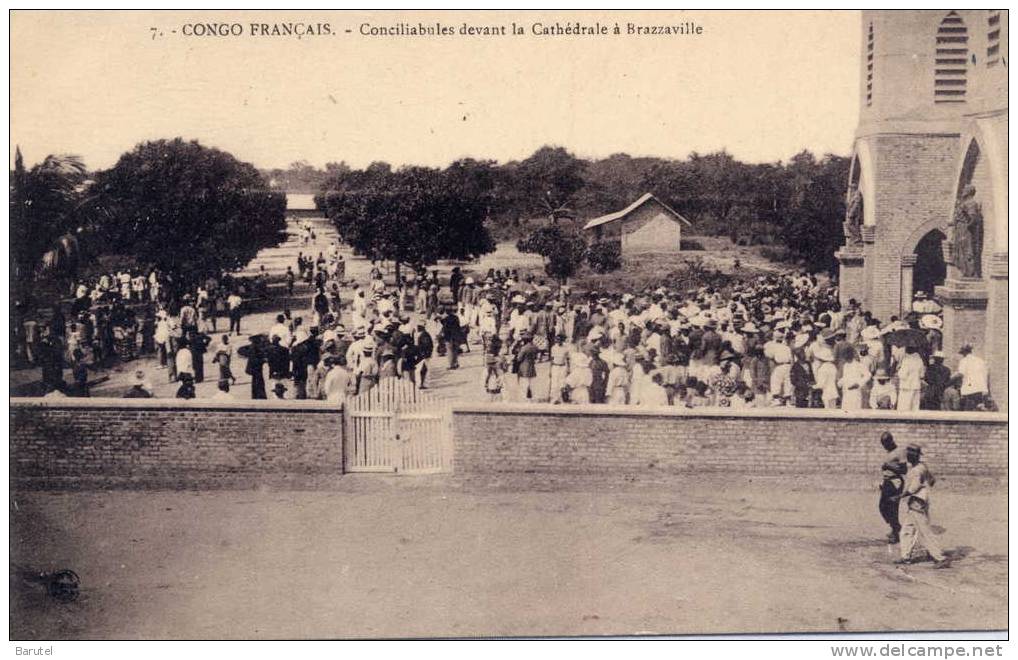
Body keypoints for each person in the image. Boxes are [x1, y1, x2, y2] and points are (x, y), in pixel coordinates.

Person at [895, 444, 951, 569]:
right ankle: (906, 557)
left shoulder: (916, 470)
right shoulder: (922, 466)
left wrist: (899, 497)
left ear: (913, 456)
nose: (907, 457)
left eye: (909, 455)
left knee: (924, 531)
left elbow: (913, 488)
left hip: (917, 502)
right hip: (921, 501)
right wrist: (925, 487)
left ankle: (940, 558)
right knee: (907, 529)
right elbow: (932, 481)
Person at [877, 432, 907, 544]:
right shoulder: (888, 452)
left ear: (891, 441)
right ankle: (896, 527)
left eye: (886, 444)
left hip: (895, 482)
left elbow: (904, 470)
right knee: (882, 507)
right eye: (883, 445)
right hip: (887, 482)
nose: (884, 447)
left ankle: (896, 533)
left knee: (892, 508)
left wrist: (888, 466)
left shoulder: (900, 452)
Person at [957, 345, 988, 410]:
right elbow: (986, 375)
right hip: (980, 388)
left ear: (965, 352)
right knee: (978, 407)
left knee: (968, 409)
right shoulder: (980, 361)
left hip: (969, 389)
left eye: (962, 353)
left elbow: (960, 374)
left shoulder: (964, 361)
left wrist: (948, 382)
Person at [896, 346, 925, 412]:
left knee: (904, 407)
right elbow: (922, 375)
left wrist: (898, 369)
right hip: (916, 386)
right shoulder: (919, 360)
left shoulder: (906, 360)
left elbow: (902, 375)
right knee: (915, 406)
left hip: (906, 386)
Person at [515, 332, 540, 400]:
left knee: (524, 384)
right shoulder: (535, 347)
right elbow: (536, 357)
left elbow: (519, 358)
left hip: (524, 367)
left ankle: (523, 398)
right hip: (532, 366)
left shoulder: (524, 348)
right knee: (532, 383)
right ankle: (532, 398)